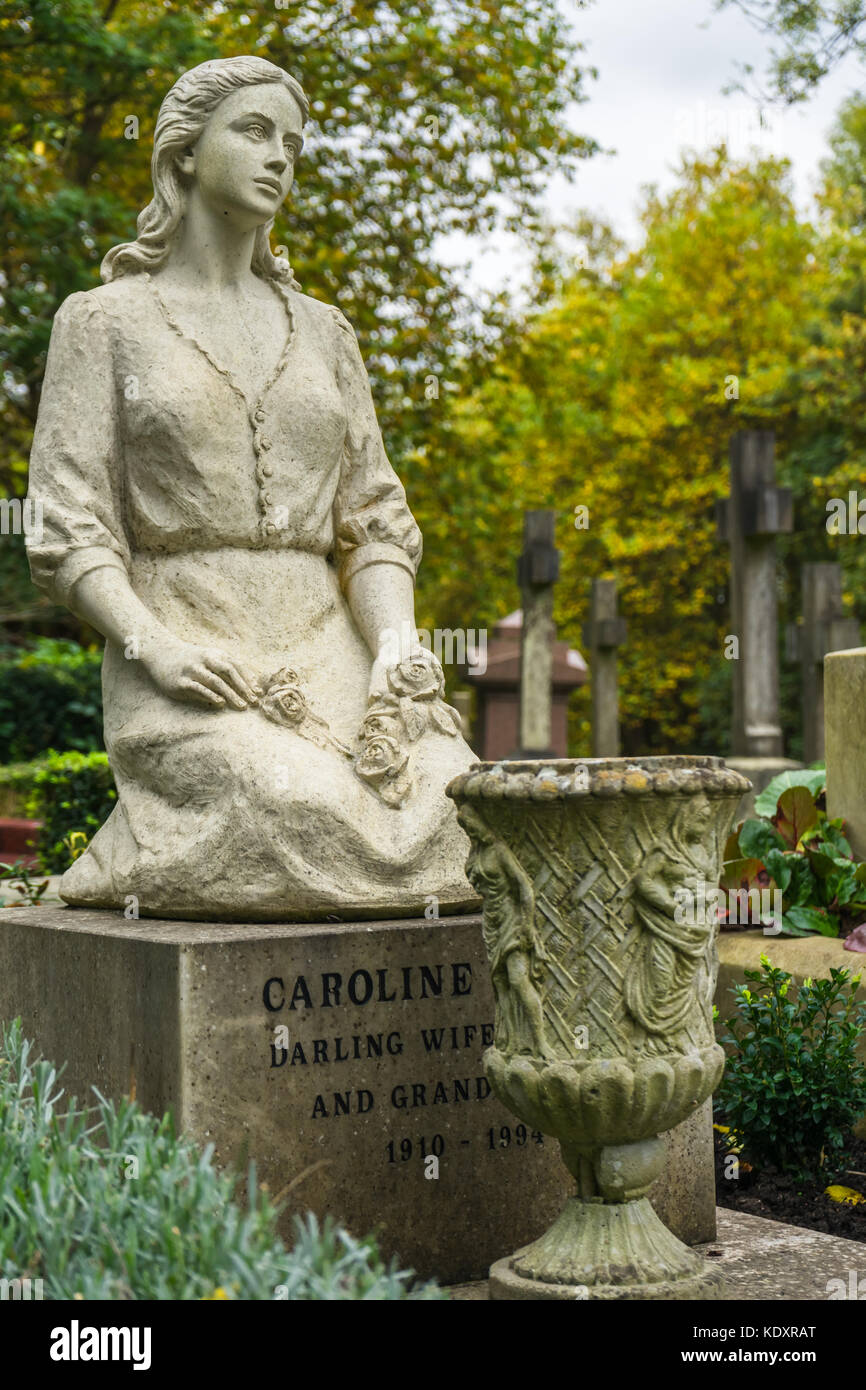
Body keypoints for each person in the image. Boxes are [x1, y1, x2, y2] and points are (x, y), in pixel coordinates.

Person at [26, 56, 478, 922]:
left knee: (458, 800)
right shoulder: (103, 320)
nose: (281, 157)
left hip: (331, 643)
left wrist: (395, 645)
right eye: (255, 131)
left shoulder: (325, 331)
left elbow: (374, 518)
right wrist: (151, 646)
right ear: (184, 153)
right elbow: (68, 522)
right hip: (190, 646)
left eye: (295, 144)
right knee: (280, 796)